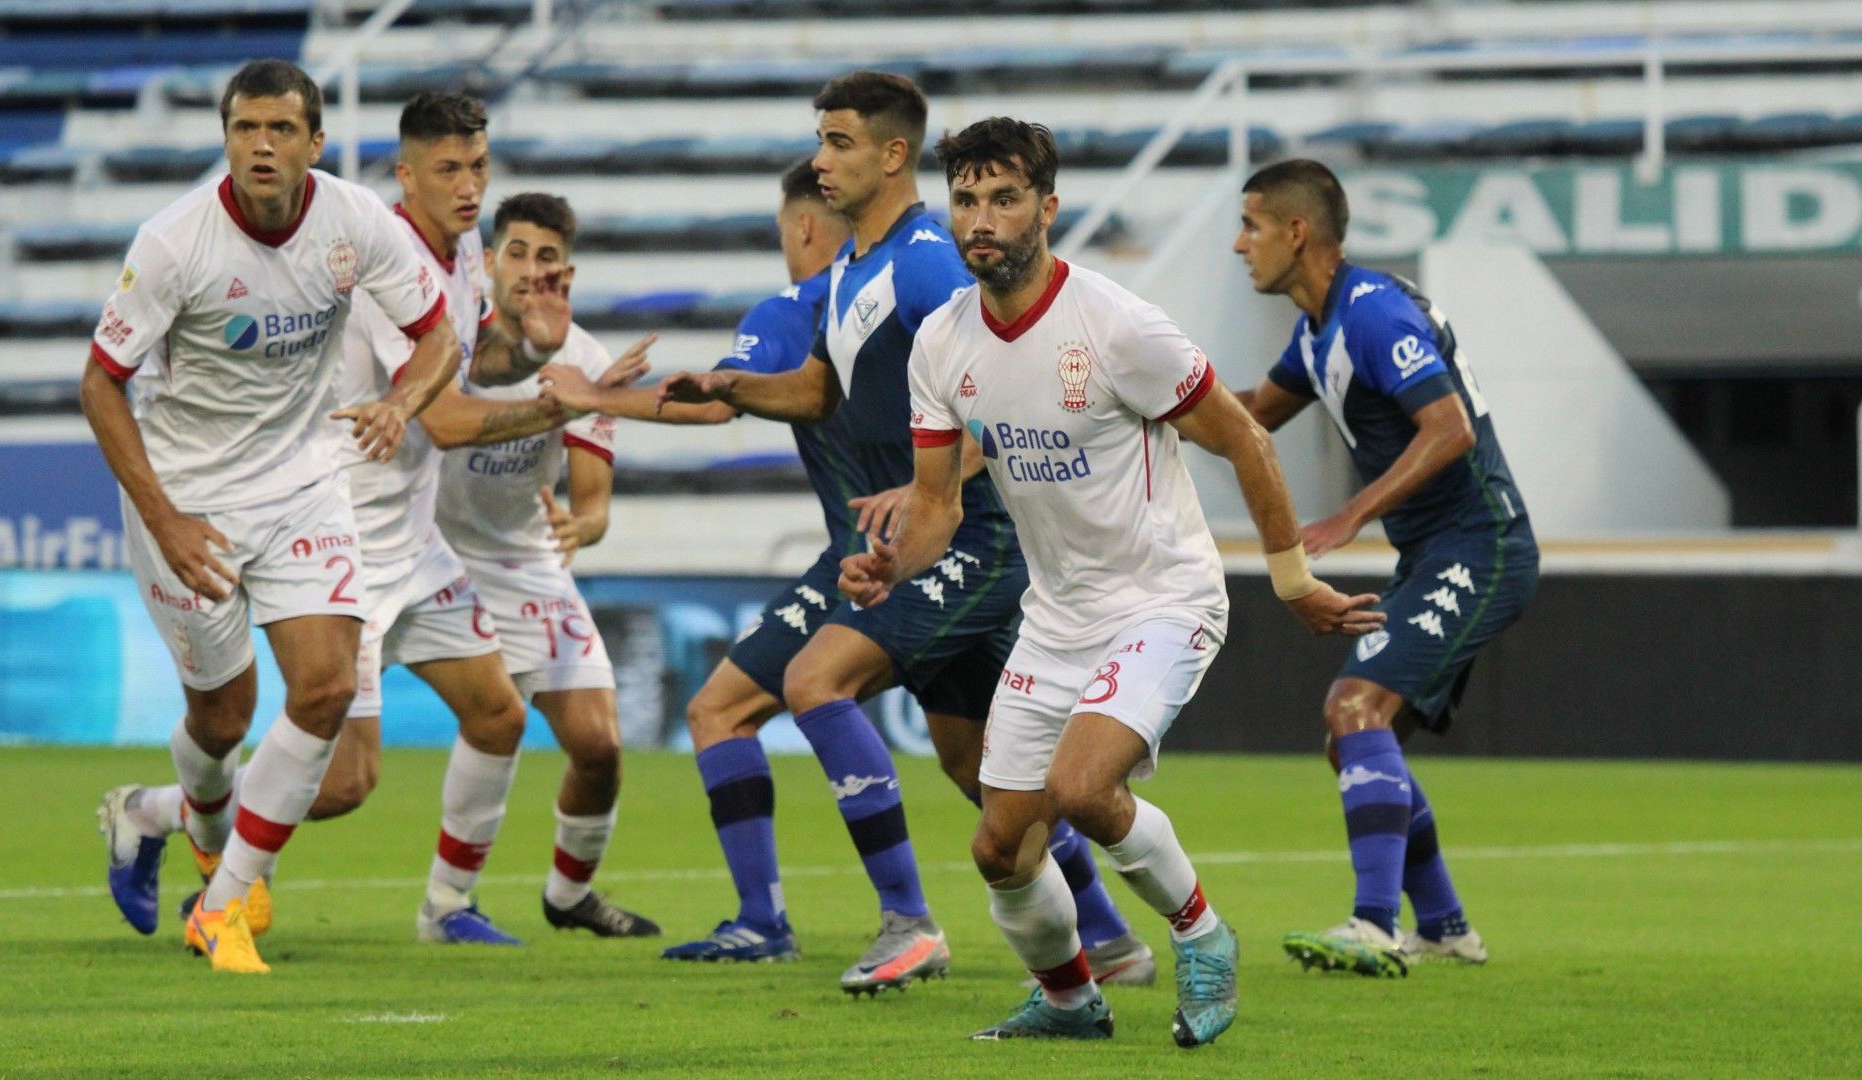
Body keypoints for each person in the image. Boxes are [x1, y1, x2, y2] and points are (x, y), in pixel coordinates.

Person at [540, 159, 1149, 983]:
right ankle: (1108, 940)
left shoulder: (818, 299)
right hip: (882, 550)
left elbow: (726, 401)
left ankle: (894, 920)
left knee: (800, 687)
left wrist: (594, 396)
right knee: (972, 768)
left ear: (799, 226)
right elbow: (787, 394)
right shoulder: (876, 289)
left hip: (936, 546)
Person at [842, 117, 1382, 1044]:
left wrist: (1290, 579)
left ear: (1047, 210)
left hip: (1163, 598)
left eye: (1004, 199)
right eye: (967, 200)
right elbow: (936, 505)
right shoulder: (941, 342)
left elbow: (1244, 435)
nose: (982, 220)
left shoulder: (1117, 326)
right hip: (1057, 618)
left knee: (1086, 791)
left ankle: (1203, 936)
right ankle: (1069, 1000)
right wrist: (895, 561)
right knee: (999, 848)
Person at [86, 59, 460, 973]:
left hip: (303, 482)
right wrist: (166, 519)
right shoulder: (176, 243)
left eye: (281, 130)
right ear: (226, 137)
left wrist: (402, 405)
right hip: (191, 501)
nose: (261, 145)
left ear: (314, 143)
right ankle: (154, 815)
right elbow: (102, 384)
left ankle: (220, 906)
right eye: (246, 128)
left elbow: (439, 332)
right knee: (222, 721)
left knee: (326, 689)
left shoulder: (354, 220)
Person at [1230, 158, 1540, 976]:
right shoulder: (1319, 329)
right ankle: (1442, 925)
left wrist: (1351, 512)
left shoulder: (1371, 314)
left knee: (1353, 706)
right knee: (1359, 742)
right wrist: (1134, 403)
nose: (1239, 245)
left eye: (1252, 225)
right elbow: (1245, 418)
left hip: (1483, 547)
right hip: (1438, 555)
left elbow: (1449, 430)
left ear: (1298, 233)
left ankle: (1373, 925)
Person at [432, 191, 660, 938]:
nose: (532, 269)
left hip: (521, 558)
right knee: (342, 763)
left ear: (569, 270)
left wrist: (578, 529)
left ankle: (567, 896)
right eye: (518, 253)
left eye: (548, 257)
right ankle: (226, 857)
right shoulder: (444, 338)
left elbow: (593, 502)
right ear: (490, 259)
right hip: (416, 546)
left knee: (599, 746)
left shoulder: (586, 360)